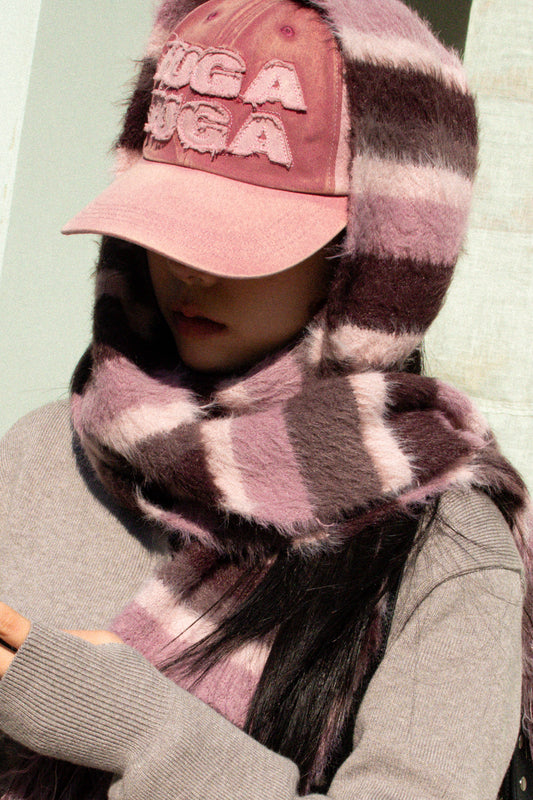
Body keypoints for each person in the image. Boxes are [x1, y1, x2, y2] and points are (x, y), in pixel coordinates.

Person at [0, 0, 532, 798]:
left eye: (242, 239)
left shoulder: (443, 547)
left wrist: (150, 734)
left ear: (373, 256)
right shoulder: (45, 451)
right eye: (166, 220)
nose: (187, 269)